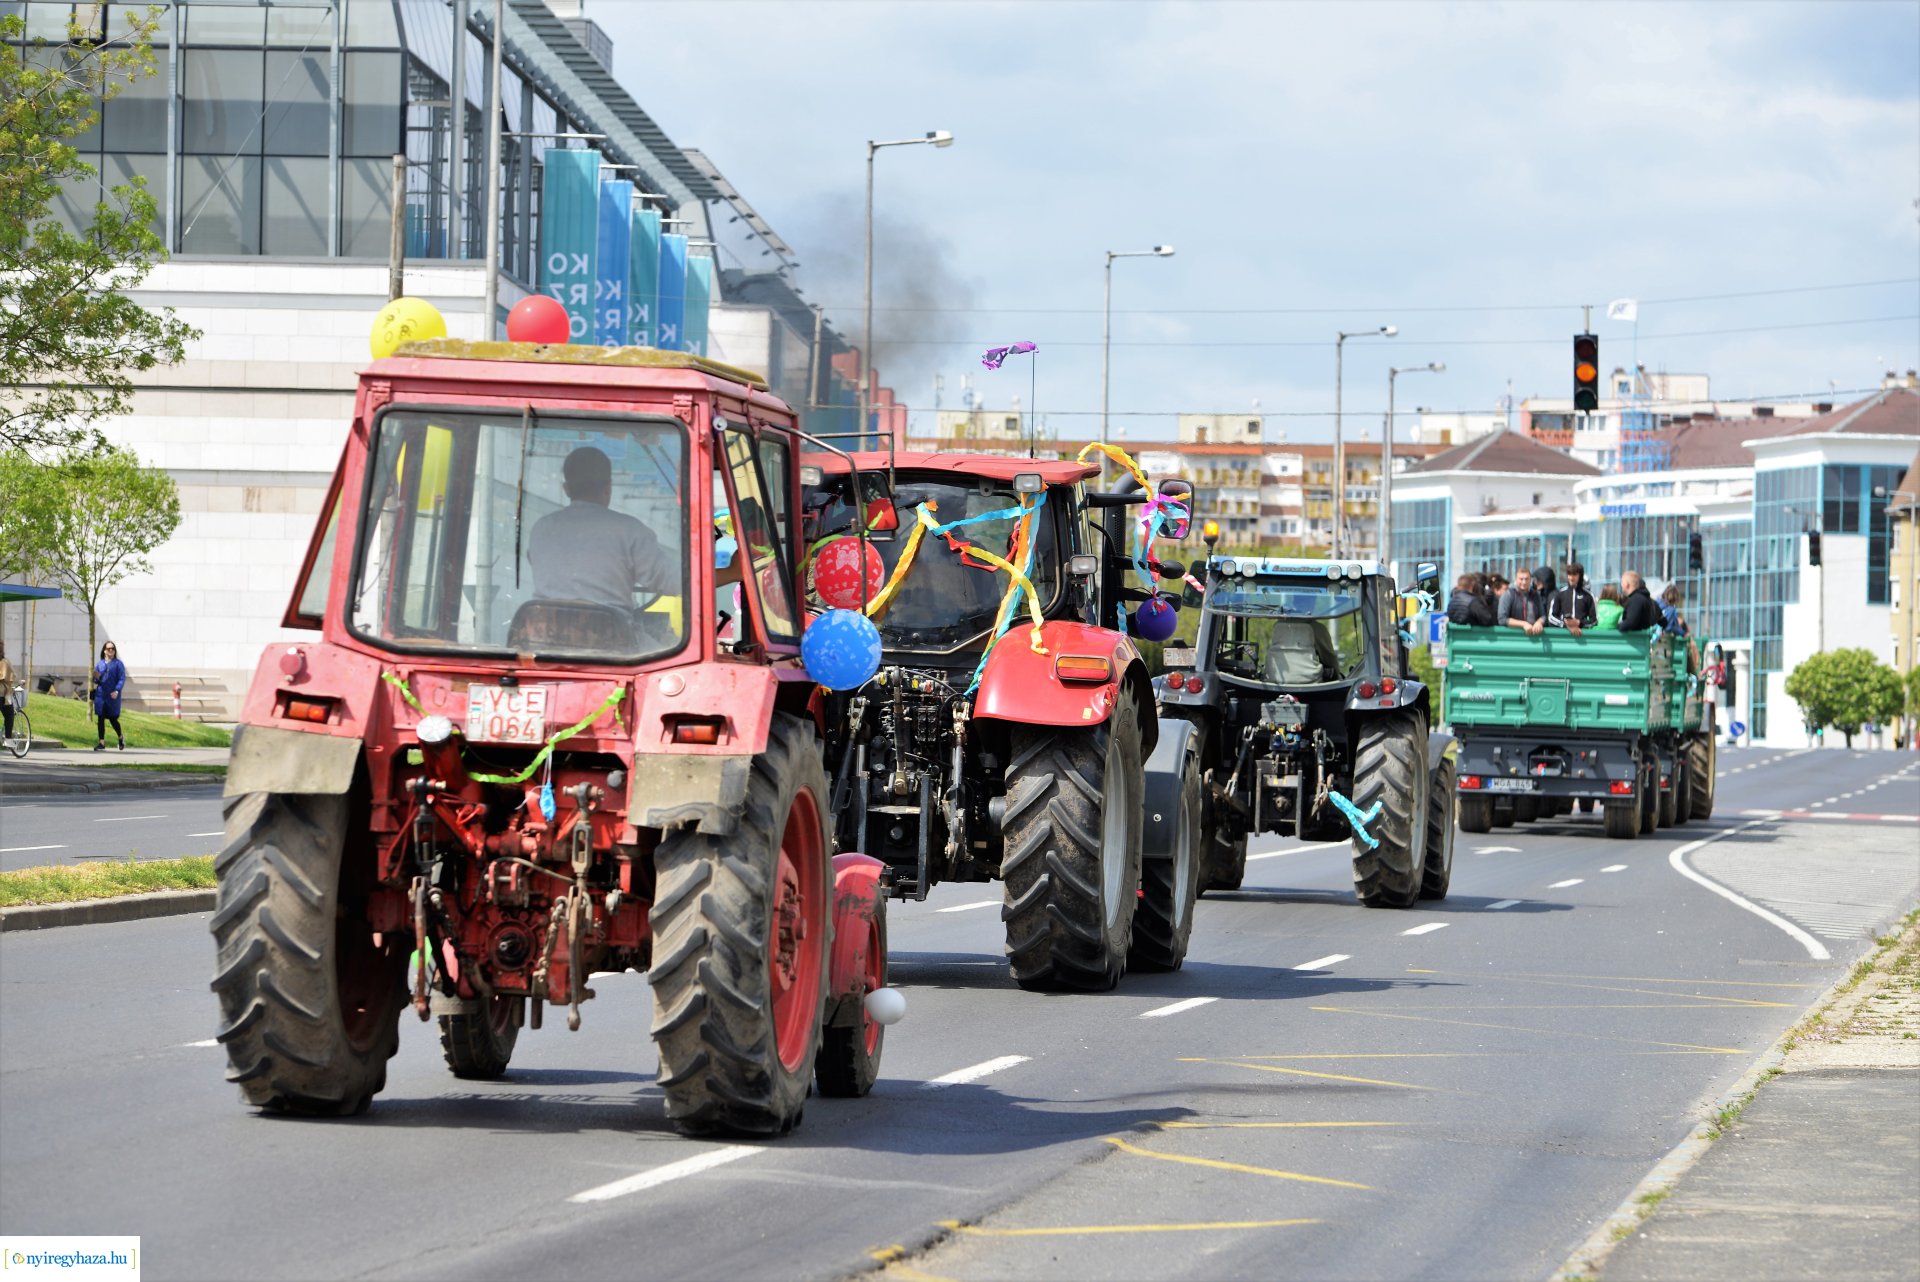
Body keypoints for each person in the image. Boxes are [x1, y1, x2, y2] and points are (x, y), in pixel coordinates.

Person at [527, 446, 674, 611]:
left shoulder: (541, 528)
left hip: (545, 631)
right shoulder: (630, 531)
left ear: (566, 489)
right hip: (610, 633)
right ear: (608, 488)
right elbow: (670, 580)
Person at [92, 640, 127, 750]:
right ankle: (101, 743)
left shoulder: (118, 664)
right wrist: (96, 678)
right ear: (104, 651)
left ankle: (120, 737)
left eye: (112, 649)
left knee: (113, 719)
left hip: (112, 696)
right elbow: (95, 679)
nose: (111, 650)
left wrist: (117, 691)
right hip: (101, 695)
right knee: (100, 718)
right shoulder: (100, 664)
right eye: (108, 649)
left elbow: (122, 678)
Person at [1547, 562, 1597, 635]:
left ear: (1580, 576)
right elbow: (1551, 617)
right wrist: (1566, 624)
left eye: (1574, 575)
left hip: (1582, 637)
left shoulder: (1588, 596)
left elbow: (1594, 621)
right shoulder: (1560, 594)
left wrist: (1579, 623)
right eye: (1569, 574)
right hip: (1563, 637)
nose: (1571, 578)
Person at [1498, 567, 1545, 636]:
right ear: (1516, 579)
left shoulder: (1536, 595)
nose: (1524, 582)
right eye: (1521, 579)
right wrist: (1523, 624)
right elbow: (1502, 619)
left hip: (1534, 636)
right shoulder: (1508, 595)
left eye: (1526, 579)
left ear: (1530, 580)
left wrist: (1539, 622)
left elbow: (1543, 615)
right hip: (1513, 637)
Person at [0, 641, 16, 743]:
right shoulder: (4, 662)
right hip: (1, 694)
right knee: (9, 714)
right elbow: (10, 676)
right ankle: (8, 739)